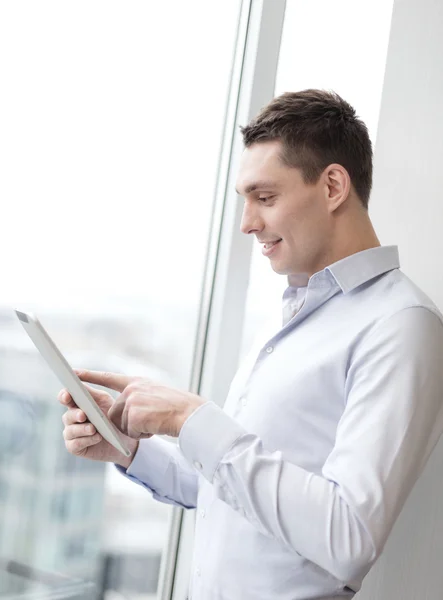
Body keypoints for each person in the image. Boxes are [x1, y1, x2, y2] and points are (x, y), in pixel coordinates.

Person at [59, 89, 443, 600]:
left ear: (332, 186)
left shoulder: (401, 324)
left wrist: (191, 419)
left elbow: (349, 535)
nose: (247, 223)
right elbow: (235, 494)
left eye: (265, 198)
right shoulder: (289, 317)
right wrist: (130, 451)